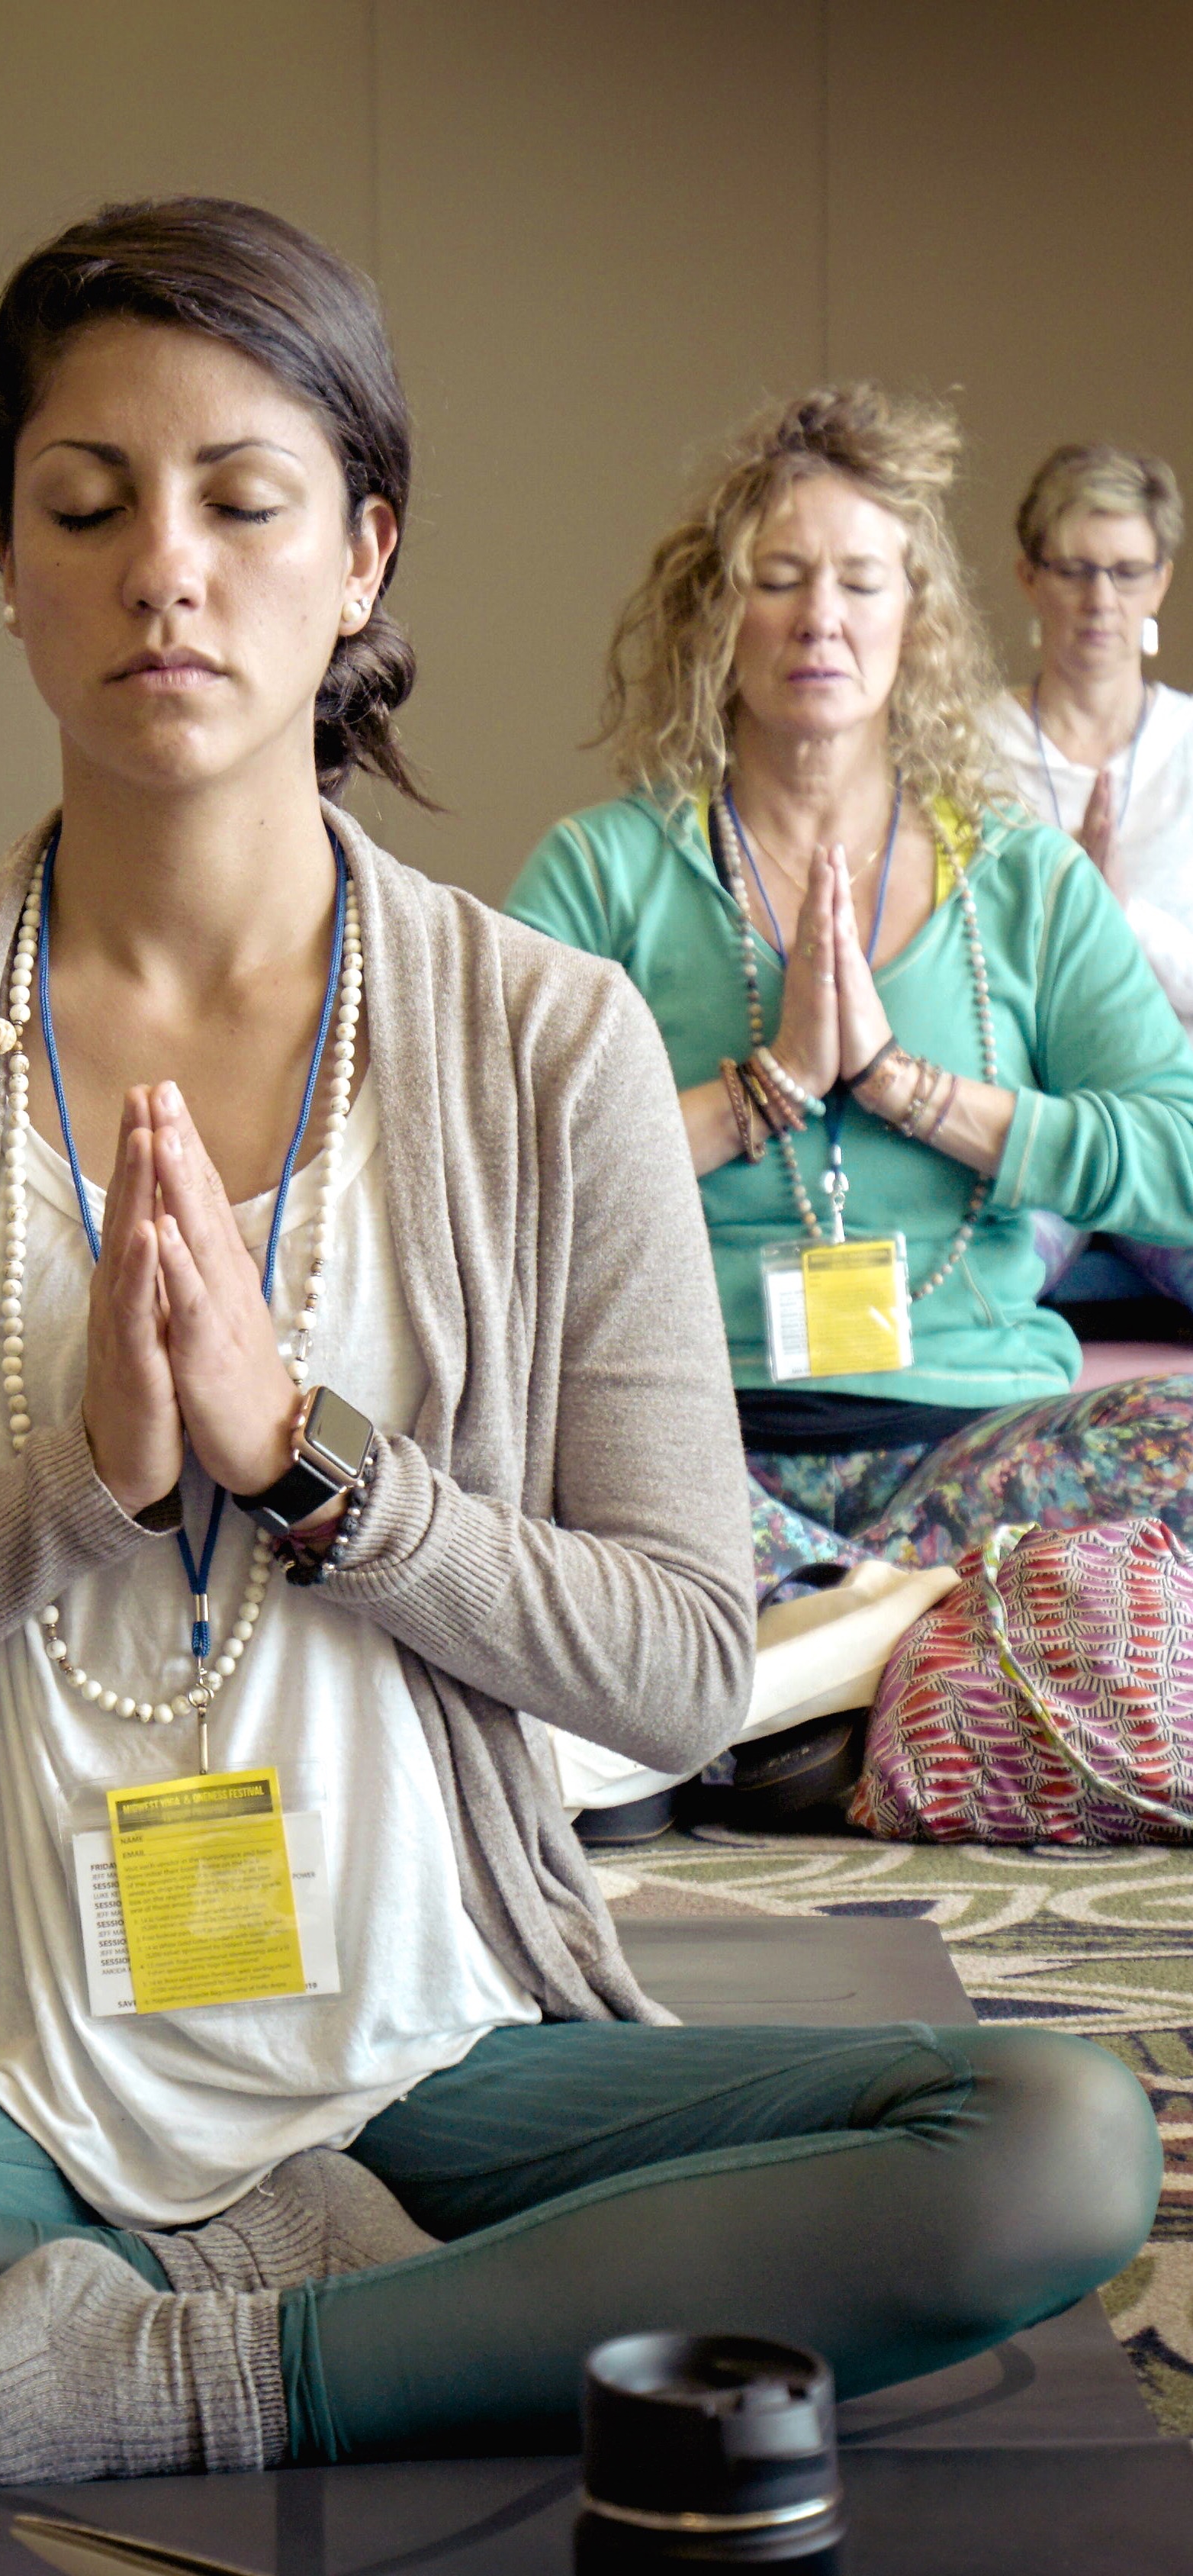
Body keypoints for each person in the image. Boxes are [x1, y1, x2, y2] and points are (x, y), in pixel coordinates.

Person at [0, 215, 1153, 2505]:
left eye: (240, 501)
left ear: (361, 552)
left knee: (1051, 2143)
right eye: (85, 507)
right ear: (6, 558)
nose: (161, 568)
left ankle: (187, 2369)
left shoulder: (538, 1038)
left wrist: (319, 1471)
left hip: (441, 2056)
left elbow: (680, 1668)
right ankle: (323, 2308)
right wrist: (55, 1502)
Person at [506, 385, 1193, 1823]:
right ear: (719, 616)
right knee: (483, 1487)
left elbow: (1179, 1152)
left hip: (967, 1452)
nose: (820, 617)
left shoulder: (1016, 874)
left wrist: (910, 1090)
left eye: (859, 581)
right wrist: (766, 1089)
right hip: (693, 1456)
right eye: (779, 578)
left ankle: (777, 1691)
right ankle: (905, 1667)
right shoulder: (605, 869)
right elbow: (500, 1175)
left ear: (914, 619)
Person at [990, 443, 1193, 1308]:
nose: (1098, 597)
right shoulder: (961, 753)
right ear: (1028, 576)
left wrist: (1114, 923)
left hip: (1172, 1118)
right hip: (1023, 1118)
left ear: (1161, 581)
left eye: (1123, 570)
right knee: (966, 1301)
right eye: (1073, 568)